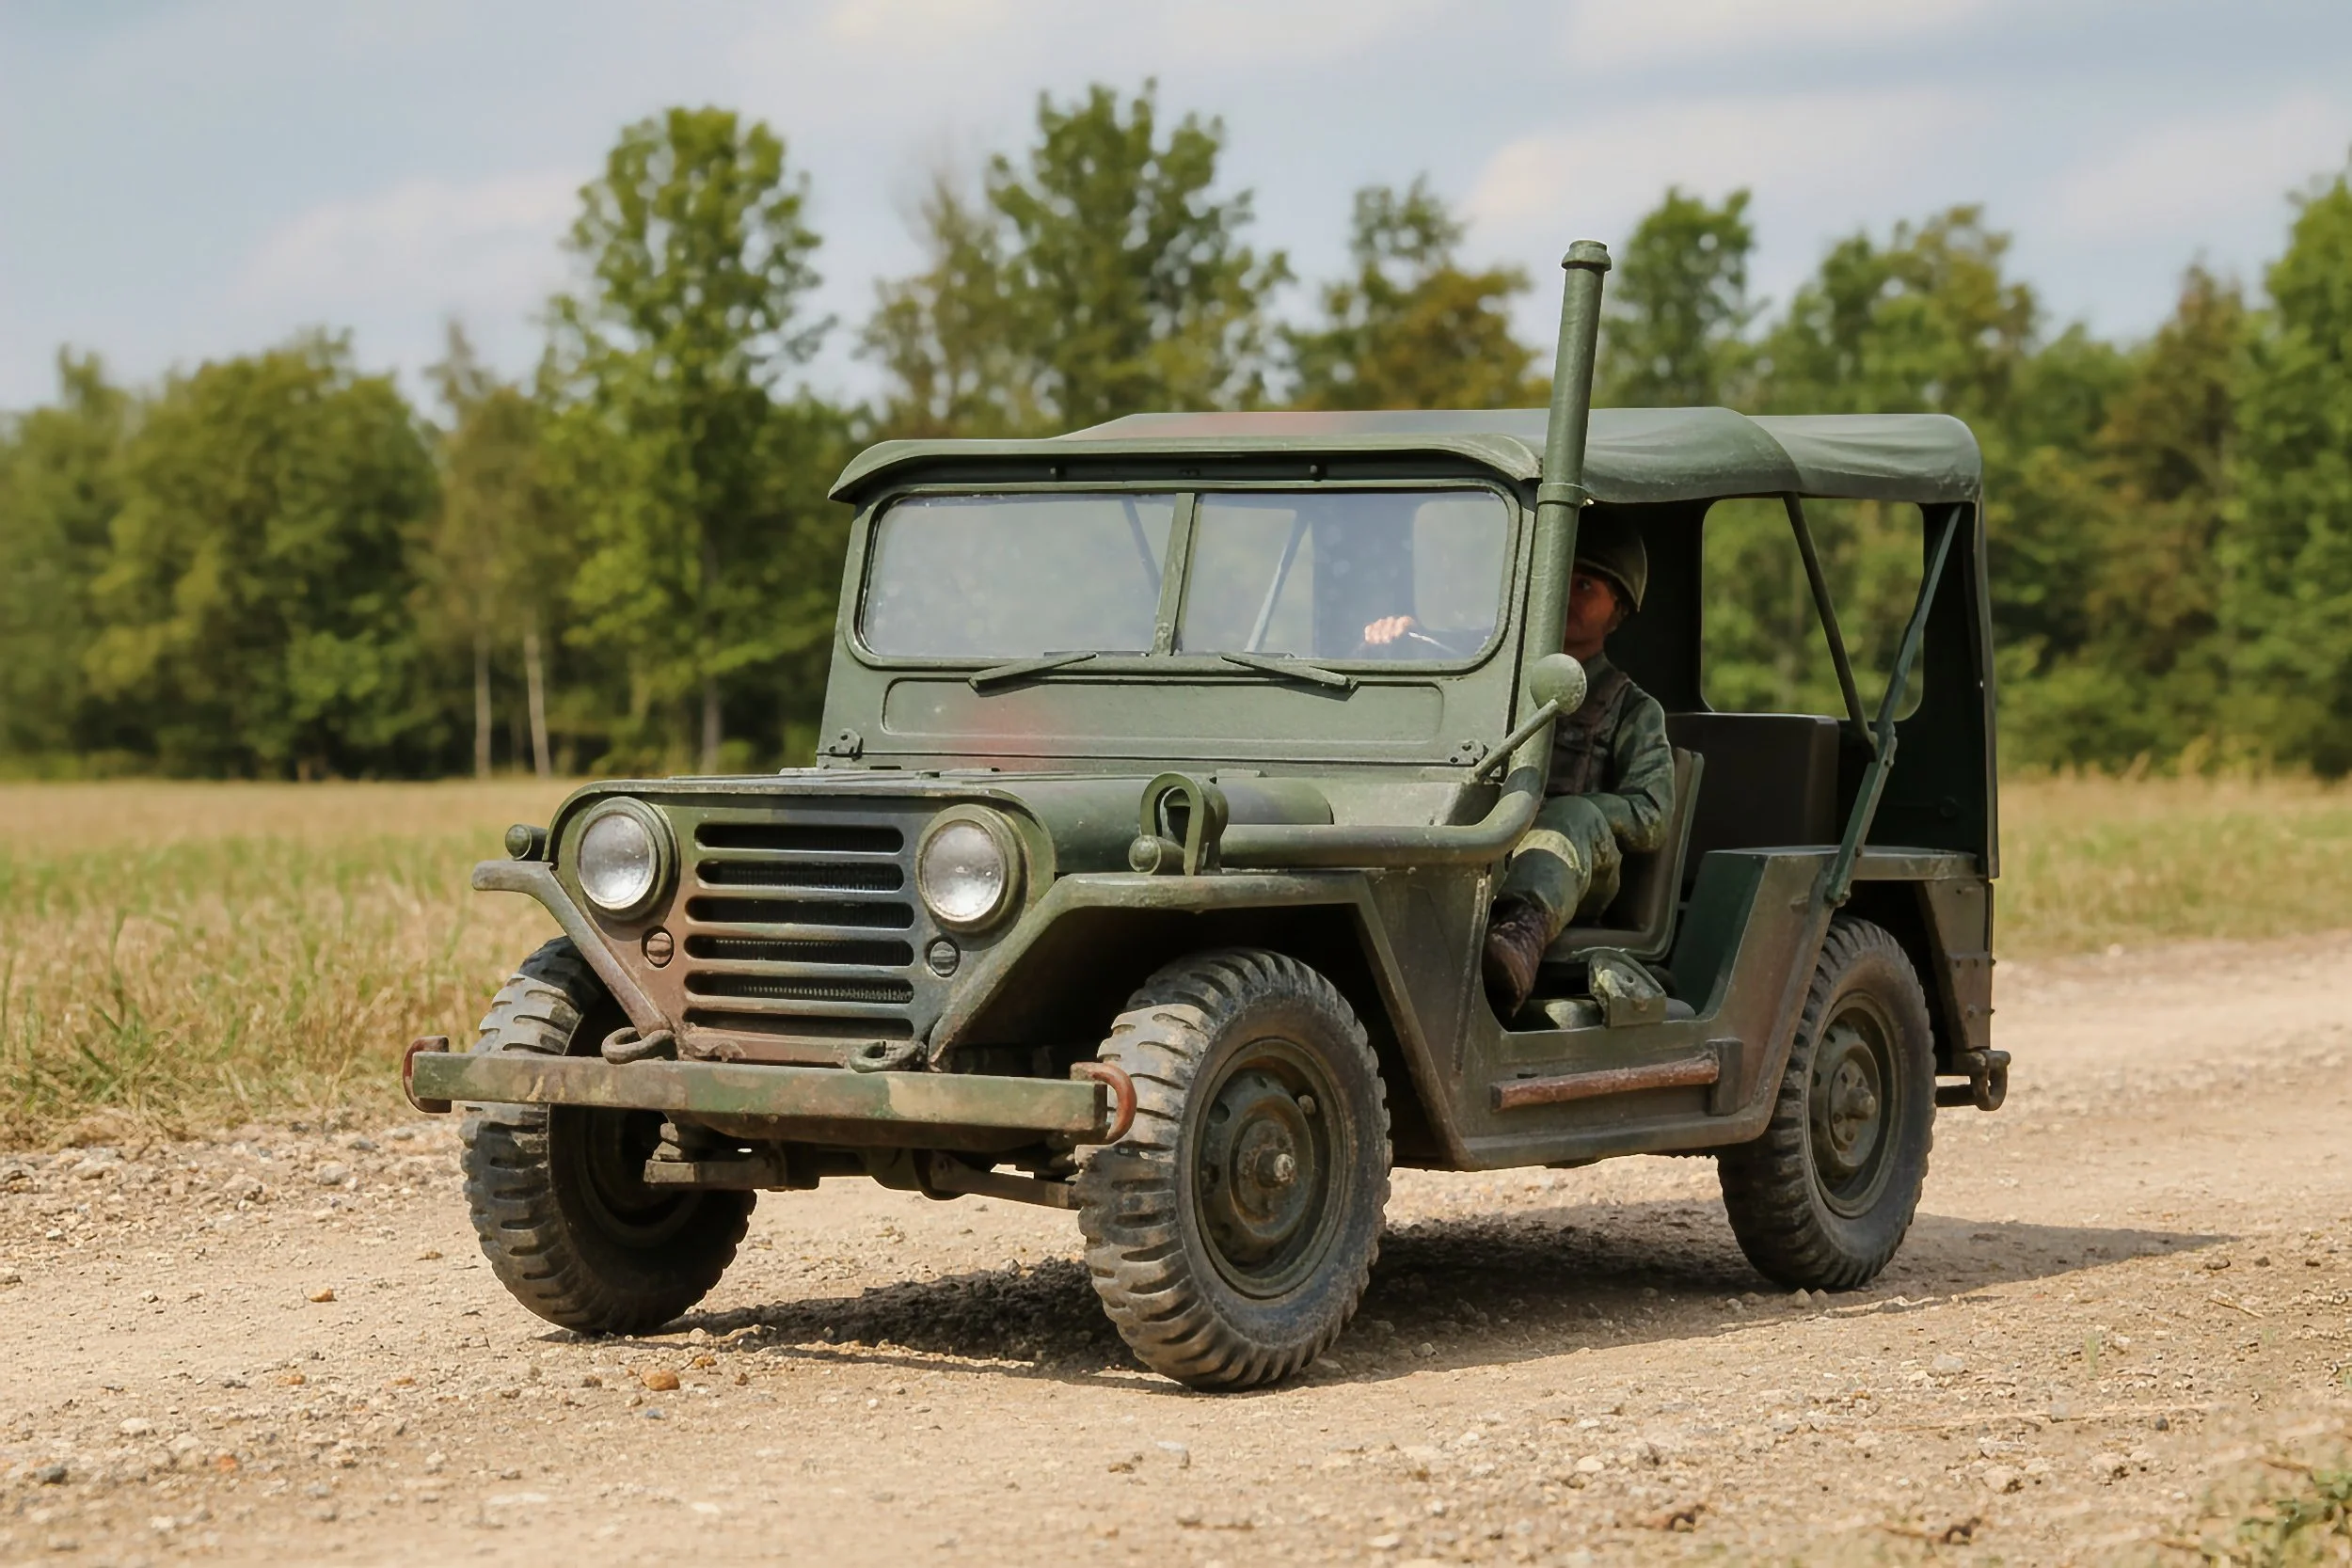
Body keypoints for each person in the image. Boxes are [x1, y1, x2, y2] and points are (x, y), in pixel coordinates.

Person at [1364, 513, 1676, 1016]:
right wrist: (1393, 649)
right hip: (1481, 844)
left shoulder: (1631, 708)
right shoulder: (1486, 675)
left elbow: (1652, 814)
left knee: (1575, 816)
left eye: (1585, 585)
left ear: (1616, 609)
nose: (1567, 596)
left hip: (1576, 870)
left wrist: (1568, 808)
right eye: (1560, 581)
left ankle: (1518, 936)